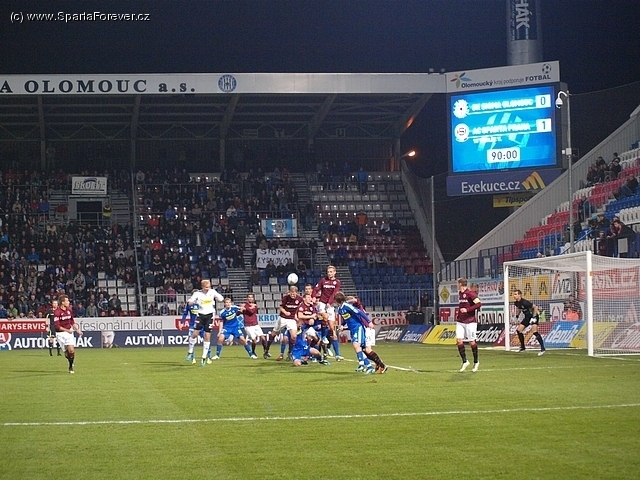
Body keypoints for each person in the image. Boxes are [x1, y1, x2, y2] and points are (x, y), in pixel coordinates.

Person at [334, 291, 380, 375]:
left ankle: (362, 364)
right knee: (359, 348)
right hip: (352, 329)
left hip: (358, 327)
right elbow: (346, 318)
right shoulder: (340, 309)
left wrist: (369, 321)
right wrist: (342, 325)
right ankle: (368, 366)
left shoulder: (347, 306)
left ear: (337, 300)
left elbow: (359, 312)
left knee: (356, 345)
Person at [185, 279, 224, 366]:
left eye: (209, 287)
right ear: (202, 287)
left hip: (210, 315)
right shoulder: (197, 293)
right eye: (206, 287)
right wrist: (191, 302)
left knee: (207, 335)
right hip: (200, 315)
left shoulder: (212, 292)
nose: (208, 288)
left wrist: (219, 299)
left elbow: (221, 298)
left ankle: (204, 357)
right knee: (195, 334)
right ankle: (190, 351)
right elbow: (190, 301)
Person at [264, 284, 303, 361]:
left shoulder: (300, 299)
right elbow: (281, 307)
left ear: (296, 293)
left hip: (291, 319)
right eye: (291, 293)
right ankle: (266, 350)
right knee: (273, 334)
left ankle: (290, 353)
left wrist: (297, 318)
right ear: (289, 292)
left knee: (294, 336)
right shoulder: (286, 298)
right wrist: (285, 312)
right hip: (283, 318)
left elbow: (301, 307)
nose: (292, 294)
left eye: (294, 293)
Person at [312, 265, 343, 360]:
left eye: (331, 272)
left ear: (334, 272)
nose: (329, 273)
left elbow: (334, 294)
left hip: (330, 305)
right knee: (324, 317)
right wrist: (313, 296)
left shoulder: (337, 282)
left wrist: (329, 303)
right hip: (322, 303)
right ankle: (324, 338)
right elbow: (316, 289)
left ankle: (337, 354)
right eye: (328, 272)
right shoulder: (323, 280)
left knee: (332, 329)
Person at [456, 278, 481, 372]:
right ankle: (465, 361)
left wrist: (467, 310)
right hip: (460, 321)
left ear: (460, 284)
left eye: (457, 283)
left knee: (472, 342)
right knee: (459, 340)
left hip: (470, 321)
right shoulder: (460, 293)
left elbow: (479, 304)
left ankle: (476, 362)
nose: (457, 285)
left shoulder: (471, 293)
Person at [53, 294, 83, 374]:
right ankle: (70, 361)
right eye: (67, 301)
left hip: (69, 332)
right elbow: (57, 326)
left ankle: (70, 366)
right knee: (67, 354)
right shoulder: (57, 312)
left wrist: (77, 330)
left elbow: (72, 322)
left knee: (71, 350)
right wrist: (67, 330)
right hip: (60, 334)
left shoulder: (69, 310)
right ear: (63, 302)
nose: (69, 302)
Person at [513, 289, 546, 355]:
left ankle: (543, 349)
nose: (514, 296)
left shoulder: (525, 302)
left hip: (533, 316)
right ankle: (523, 347)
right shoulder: (516, 303)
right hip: (527, 317)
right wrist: (517, 316)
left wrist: (534, 317)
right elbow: (519, 309)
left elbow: (535, 307)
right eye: (514, 294)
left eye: (516, 294)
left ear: (520, 295)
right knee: (519, 330)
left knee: (535, 332)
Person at [242, 293, 268, 358]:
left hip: (255, 324)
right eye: (249, 297)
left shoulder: (254, 306)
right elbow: (238, 313)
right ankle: (253, 352)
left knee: (263, 338)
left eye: (251, 297)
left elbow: (251, 311)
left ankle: (265, 351)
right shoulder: (246, 305)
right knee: (254, 341)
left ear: (253, 298)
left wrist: (245, 308)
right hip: (248, 326)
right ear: (247, 298)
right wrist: (242, 309)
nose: (250, 298)